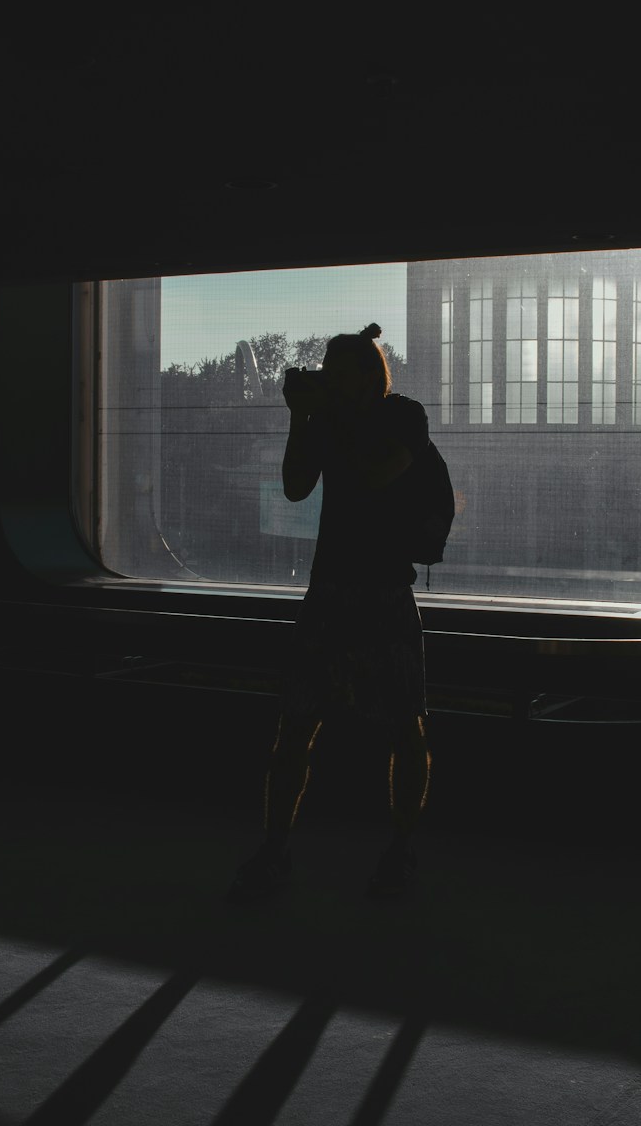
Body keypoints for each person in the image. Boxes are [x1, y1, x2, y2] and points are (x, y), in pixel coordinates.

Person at [228, 323, 433, 901]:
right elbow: (296, 486)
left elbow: (375, 473)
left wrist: (318, 415)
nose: (332, 384)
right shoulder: (333, 419)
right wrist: (303, 417)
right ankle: (390, 852)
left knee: (360, 726)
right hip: (357, 593)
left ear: (369, 378)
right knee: (383, 726)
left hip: (370, 590)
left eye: (340, 376)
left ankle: (285, 852)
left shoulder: (404, 417)